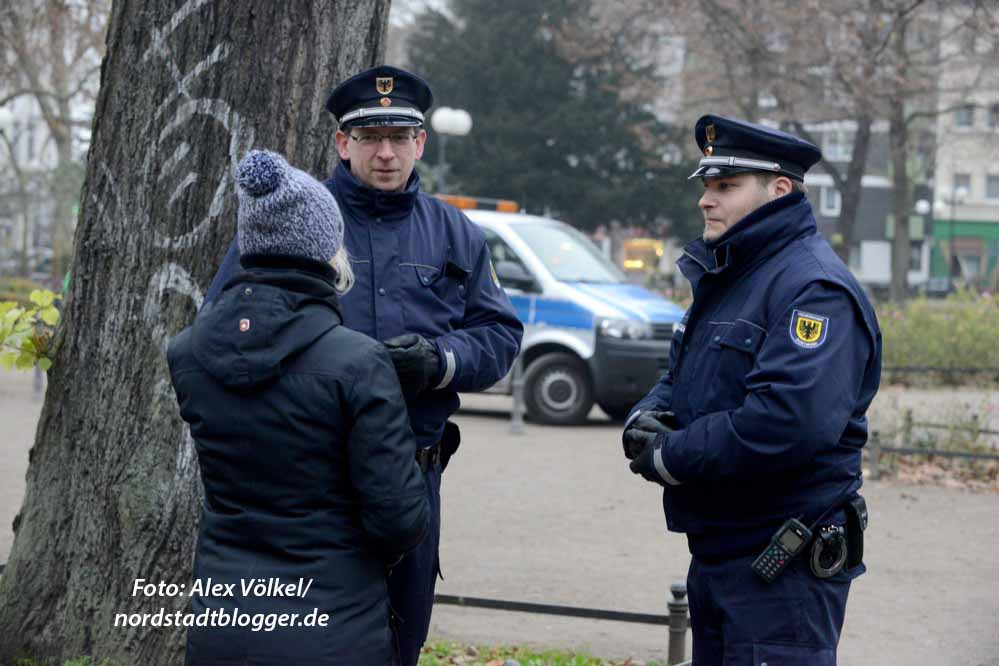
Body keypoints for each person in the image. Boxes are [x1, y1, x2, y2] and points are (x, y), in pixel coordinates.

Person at [205, 65, 524, 665]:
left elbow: (500, 335)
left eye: (399, 138)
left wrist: (440, 361)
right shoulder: (295, 221)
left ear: (420, 142)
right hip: (312, 481)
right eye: (371, 138)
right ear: (342, 143)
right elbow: (225, 323)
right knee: (309, 645)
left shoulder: (456, 232)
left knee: (402, 641)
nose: (386, 153)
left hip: (413, 472)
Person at [622, 115, 882, 665]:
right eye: (707, 186)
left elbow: (787, 423)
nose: (705, 201)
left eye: (725, 187)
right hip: (724, 551)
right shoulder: (736, 274)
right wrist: (645, 418)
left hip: (781, 568)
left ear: (779, 190)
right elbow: (684, 375)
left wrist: (670, 454)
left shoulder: (814, 289)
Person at [169, 150, 430, 665]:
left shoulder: (188, 354)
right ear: (323, 249)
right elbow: (398, 517)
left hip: (224, 626)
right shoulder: (358, 362)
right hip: (334, 628)